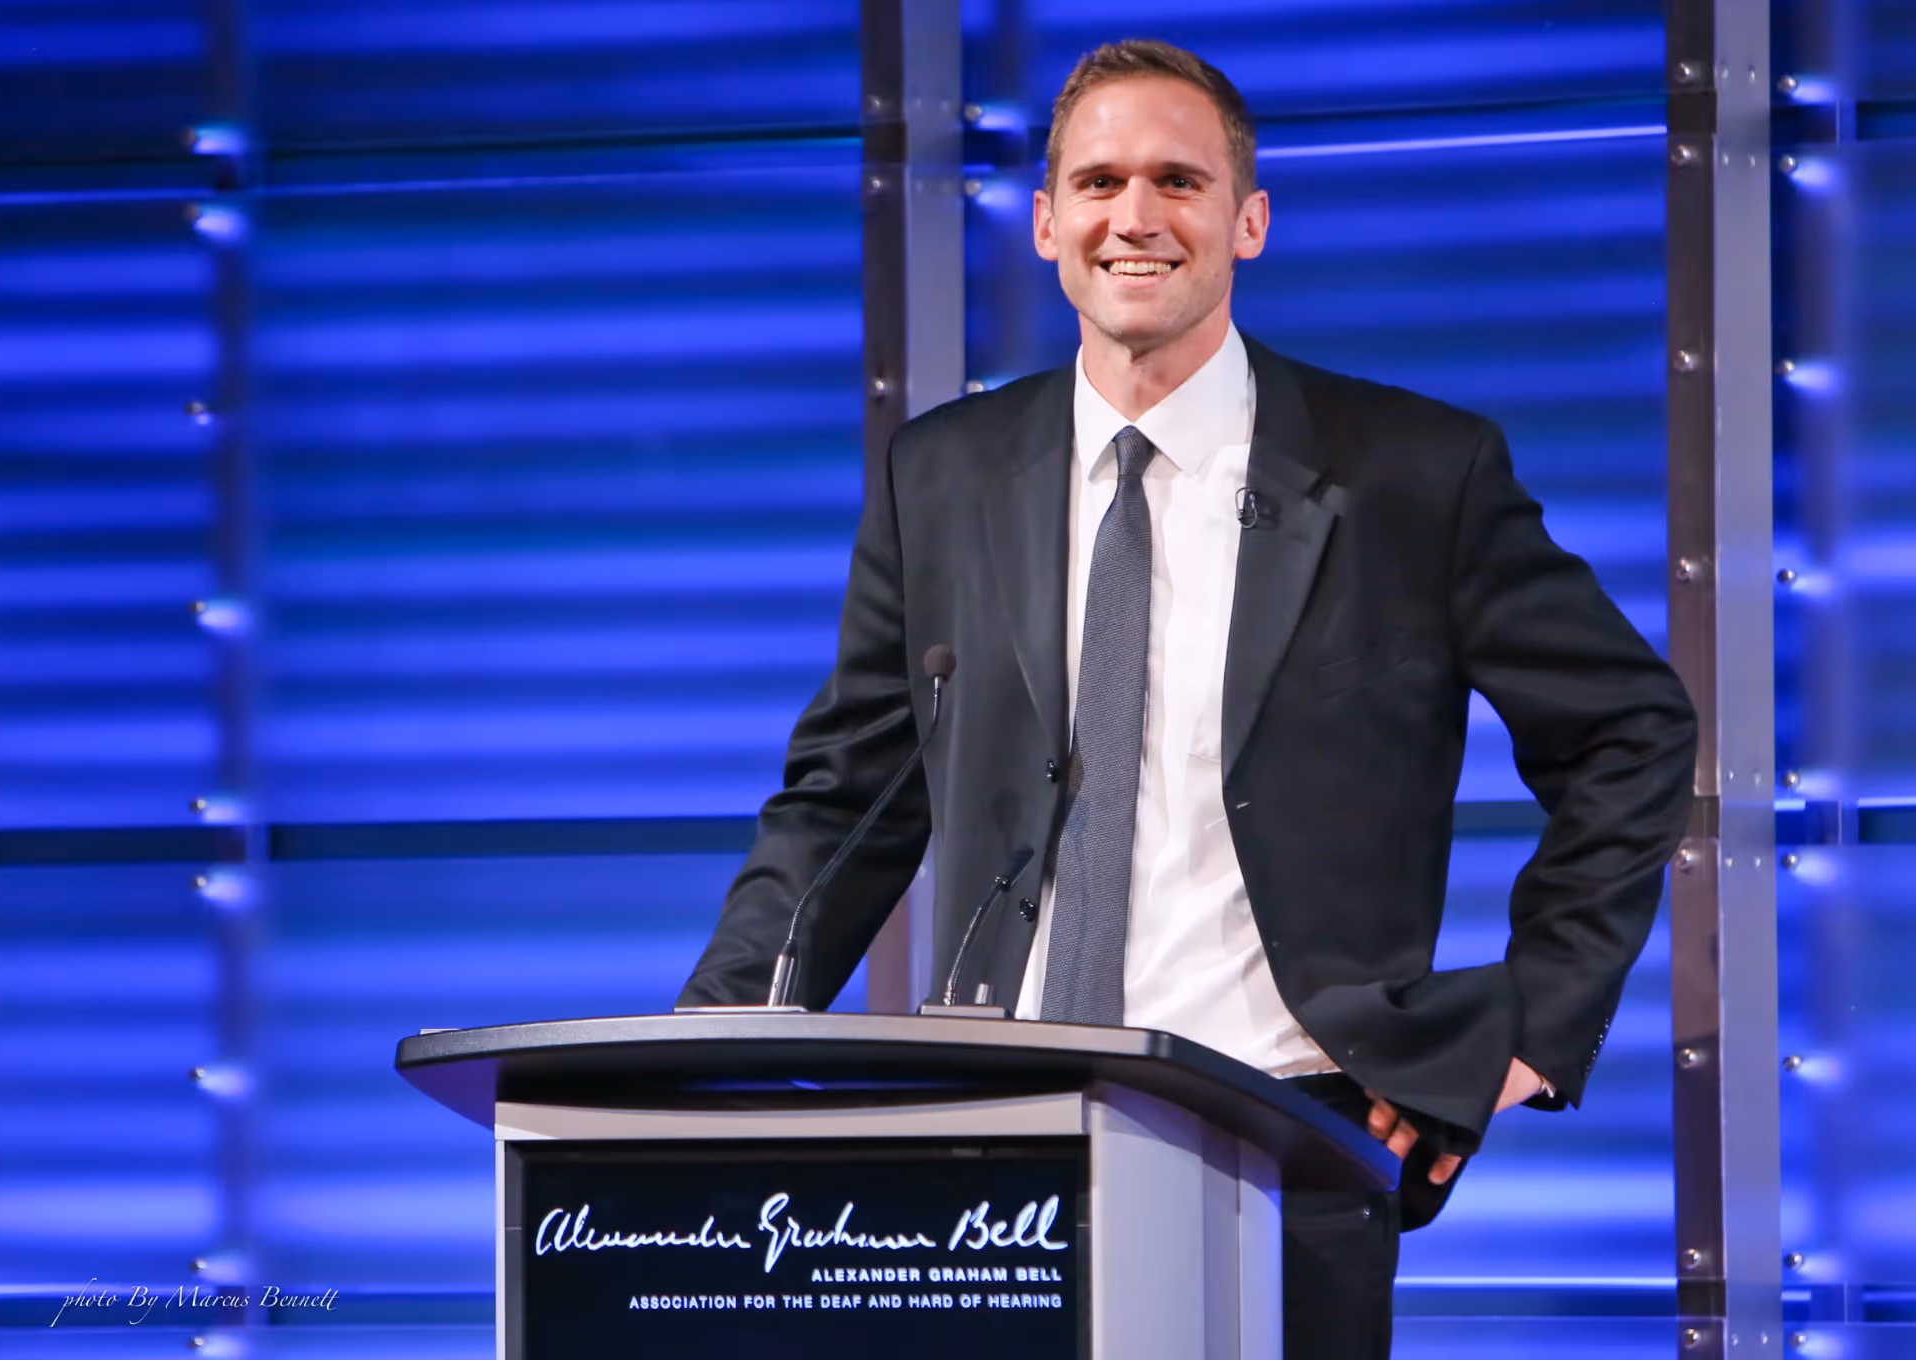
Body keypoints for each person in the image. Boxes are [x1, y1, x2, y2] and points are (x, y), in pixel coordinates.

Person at [678, 37, 1697, 1359]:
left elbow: (1631, 729)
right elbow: (847, 792)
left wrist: (1525, 1026)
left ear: (1248, 220)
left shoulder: (1411, 471)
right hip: (992, 1141)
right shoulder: (943, 475)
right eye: (1098, 183)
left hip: (1291, 1130)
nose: (1136, 217)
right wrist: (706, 1039)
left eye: (1178, 180)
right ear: (1046, 222)